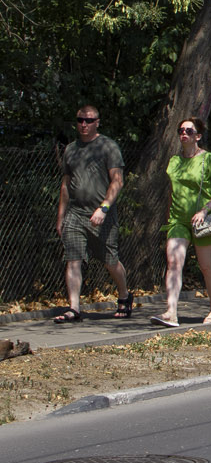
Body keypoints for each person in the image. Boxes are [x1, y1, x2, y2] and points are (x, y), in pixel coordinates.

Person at [54, 105, 132, 322]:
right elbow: (65, 185)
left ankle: (124, 295)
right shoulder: (71, 149)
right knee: (73, 259)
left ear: (97, 121)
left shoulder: (108, 146)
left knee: (110, 261)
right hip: (75, 213)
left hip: (101, 215)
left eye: (88, 120)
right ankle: (74, 308)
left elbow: (117, 181)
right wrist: (60, 217)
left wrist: (104, 208)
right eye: (80, 120)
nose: (84, 124)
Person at [150, 117, 211, 327]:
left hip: (203, 221)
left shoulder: (208, 159)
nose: (184, 133)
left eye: (189, 131)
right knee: (174, 263)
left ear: (198, 136)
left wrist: (204, 210)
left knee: (206, 265)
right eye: (181, 130)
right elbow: (172, 192)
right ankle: (171, 312)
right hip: (178, 220)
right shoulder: (174, 161)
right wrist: (169, 217)